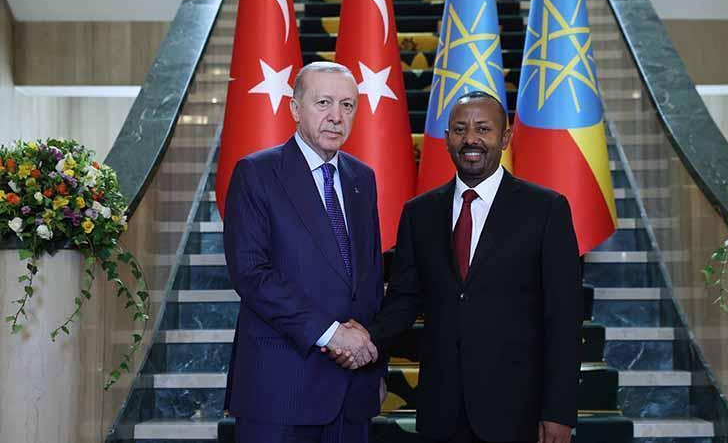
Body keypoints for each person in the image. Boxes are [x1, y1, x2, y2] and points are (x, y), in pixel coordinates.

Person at [336, 91, 582, 443]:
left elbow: (563, 318)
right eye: (459, 129)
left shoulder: (546, 209)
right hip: (442, 408)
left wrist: (558, 411)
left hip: (517, 410)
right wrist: (365, 340)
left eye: (483, 129)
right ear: (446, 138)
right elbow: (403, 301)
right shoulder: (419, 213)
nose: (470, 139)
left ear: (505, 138)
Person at [222, 61, 385, 443]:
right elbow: (252, 273)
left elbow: (370, 279)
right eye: (323, 102)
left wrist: (374, 367)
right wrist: (331, 335)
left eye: (347, 105)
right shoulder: (256, 173)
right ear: (295, 109)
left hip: (352, 391)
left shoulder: (362, 178)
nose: (336, 116)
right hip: (281, 389)